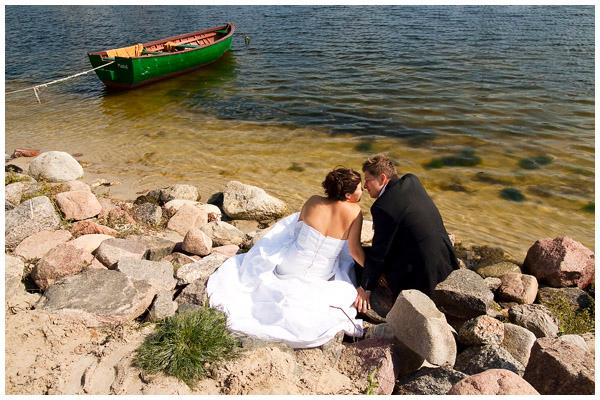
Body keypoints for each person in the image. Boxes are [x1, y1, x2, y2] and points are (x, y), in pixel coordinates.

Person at [207, 168, 366, 348]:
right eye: (360, 188)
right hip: (320, 274)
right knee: (345, 290)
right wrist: (372, 272)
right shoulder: (354, 212)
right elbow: (354, 251)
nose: (363, 190)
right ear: (347, 195)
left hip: (288, 266)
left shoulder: (314, 201)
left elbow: (298, 228)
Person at [353, 154, 459, 313]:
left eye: (367, 180)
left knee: (359, 261)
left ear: (382, 178)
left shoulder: (382, 207)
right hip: (447, 261)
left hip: (422, 276)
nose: (365, 186)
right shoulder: (412, 181)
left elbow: (379, 253)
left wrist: (365, 287)